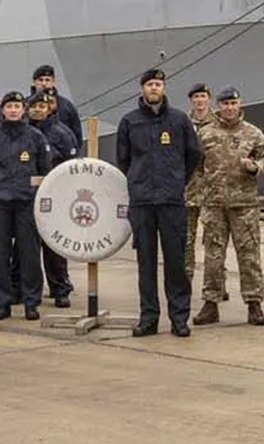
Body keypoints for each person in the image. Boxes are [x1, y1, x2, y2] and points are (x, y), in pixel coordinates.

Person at [114, 68, 202, 338]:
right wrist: (139, 183)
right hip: (142, 203)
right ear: (142, 89)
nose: (154, 88)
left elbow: (193, 155)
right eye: (150, 84)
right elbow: (124, 159)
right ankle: (149, 318)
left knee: (176, 263)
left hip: (171, 201)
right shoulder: (129, 121)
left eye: (158, 84)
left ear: (164, 88)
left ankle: (179, 318)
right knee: (146, 264)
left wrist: (176, 181)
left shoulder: (179, 120)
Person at [194, 86, 264, 326]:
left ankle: (254, 304)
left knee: (249, 256)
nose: (229, 108)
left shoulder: (253, 133)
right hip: (214, 204)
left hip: (245, 205)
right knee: (213, 257)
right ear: (218, 106)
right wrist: (207, 188)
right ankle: (211, 303)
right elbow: (196, 165)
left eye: (233, 103)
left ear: (240, 105)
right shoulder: (205, 134)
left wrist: (255, 167)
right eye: (225, 104)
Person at [0, 92, 54, 321]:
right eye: (9, 106)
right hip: (0, 203)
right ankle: (2, 302)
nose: (13, 110)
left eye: (17, 106)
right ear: (2, 110)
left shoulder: (35, 137)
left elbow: (45, 171)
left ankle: (30, 302)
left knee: (29, 255)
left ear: (23, 109)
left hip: (27, 203)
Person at [26, 88, 80, 308]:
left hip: (55, 197)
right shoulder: (23, 132)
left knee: (54, 246)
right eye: (34, 107)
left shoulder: (62, 133)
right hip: (27, 197)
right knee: (28, 247)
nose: (38, 110)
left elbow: (72, 165)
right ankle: (28, 290)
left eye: (42, 106)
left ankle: (60, 288)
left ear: (50, 108)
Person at [184, 83, 215, 290]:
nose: (199, 100)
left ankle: (215, 284)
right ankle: (186, 281)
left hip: (213, 192)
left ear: (208, 99)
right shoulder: (183, 123)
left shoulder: (219, 123)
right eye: (196, 97)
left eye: (203, 96)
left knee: (214, 241)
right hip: (188, 191)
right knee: (186, 241)